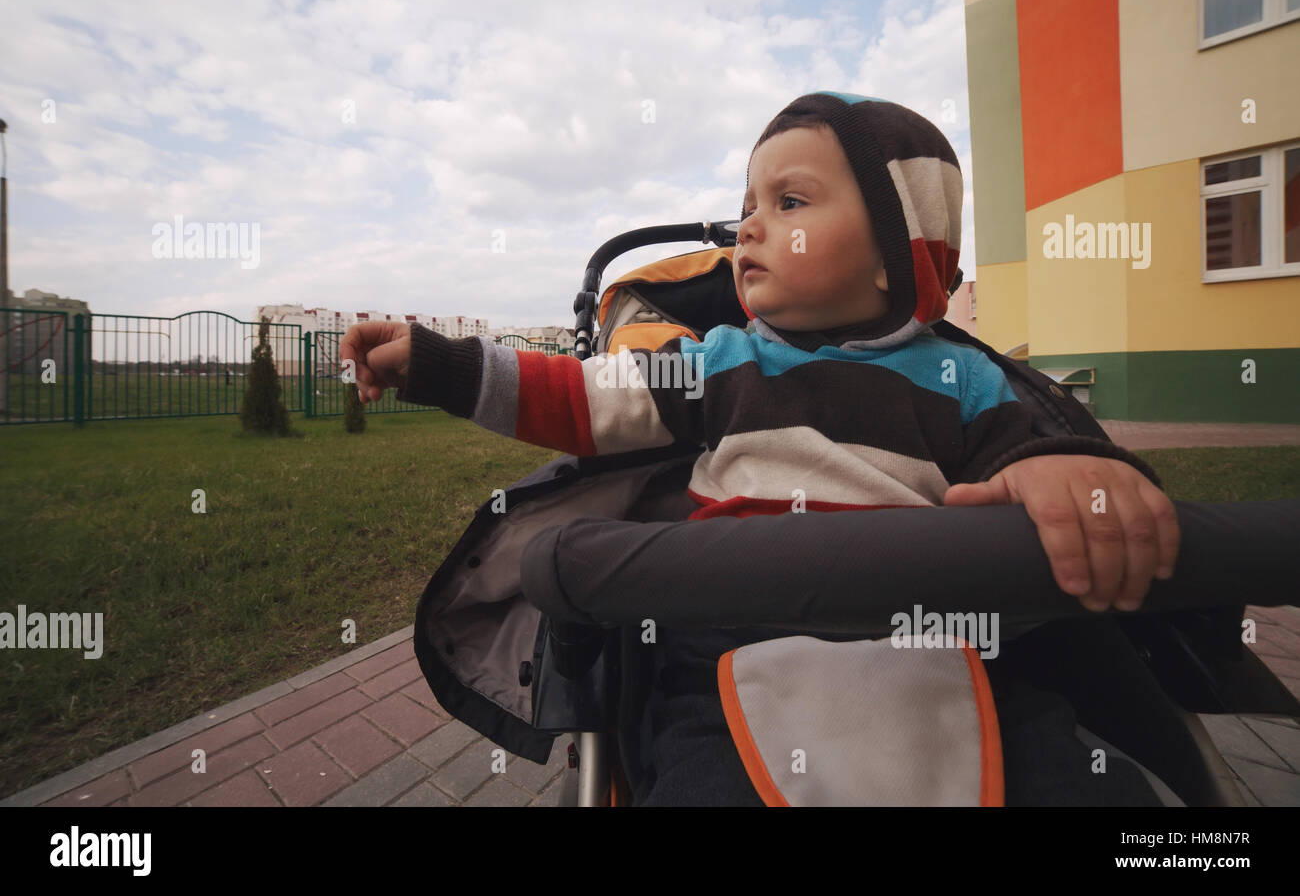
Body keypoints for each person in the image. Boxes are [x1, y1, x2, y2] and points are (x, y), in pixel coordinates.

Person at [340, 92, 1181, 805]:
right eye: (748, 205)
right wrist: (438, 366)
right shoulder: (717, 364)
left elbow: (1027, 449)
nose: (747, 228)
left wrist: (1070, 471)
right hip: (729, 651)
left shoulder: (965, 379)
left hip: (940, 650)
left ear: (894, 256)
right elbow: (577, 397)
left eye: (789, 202)